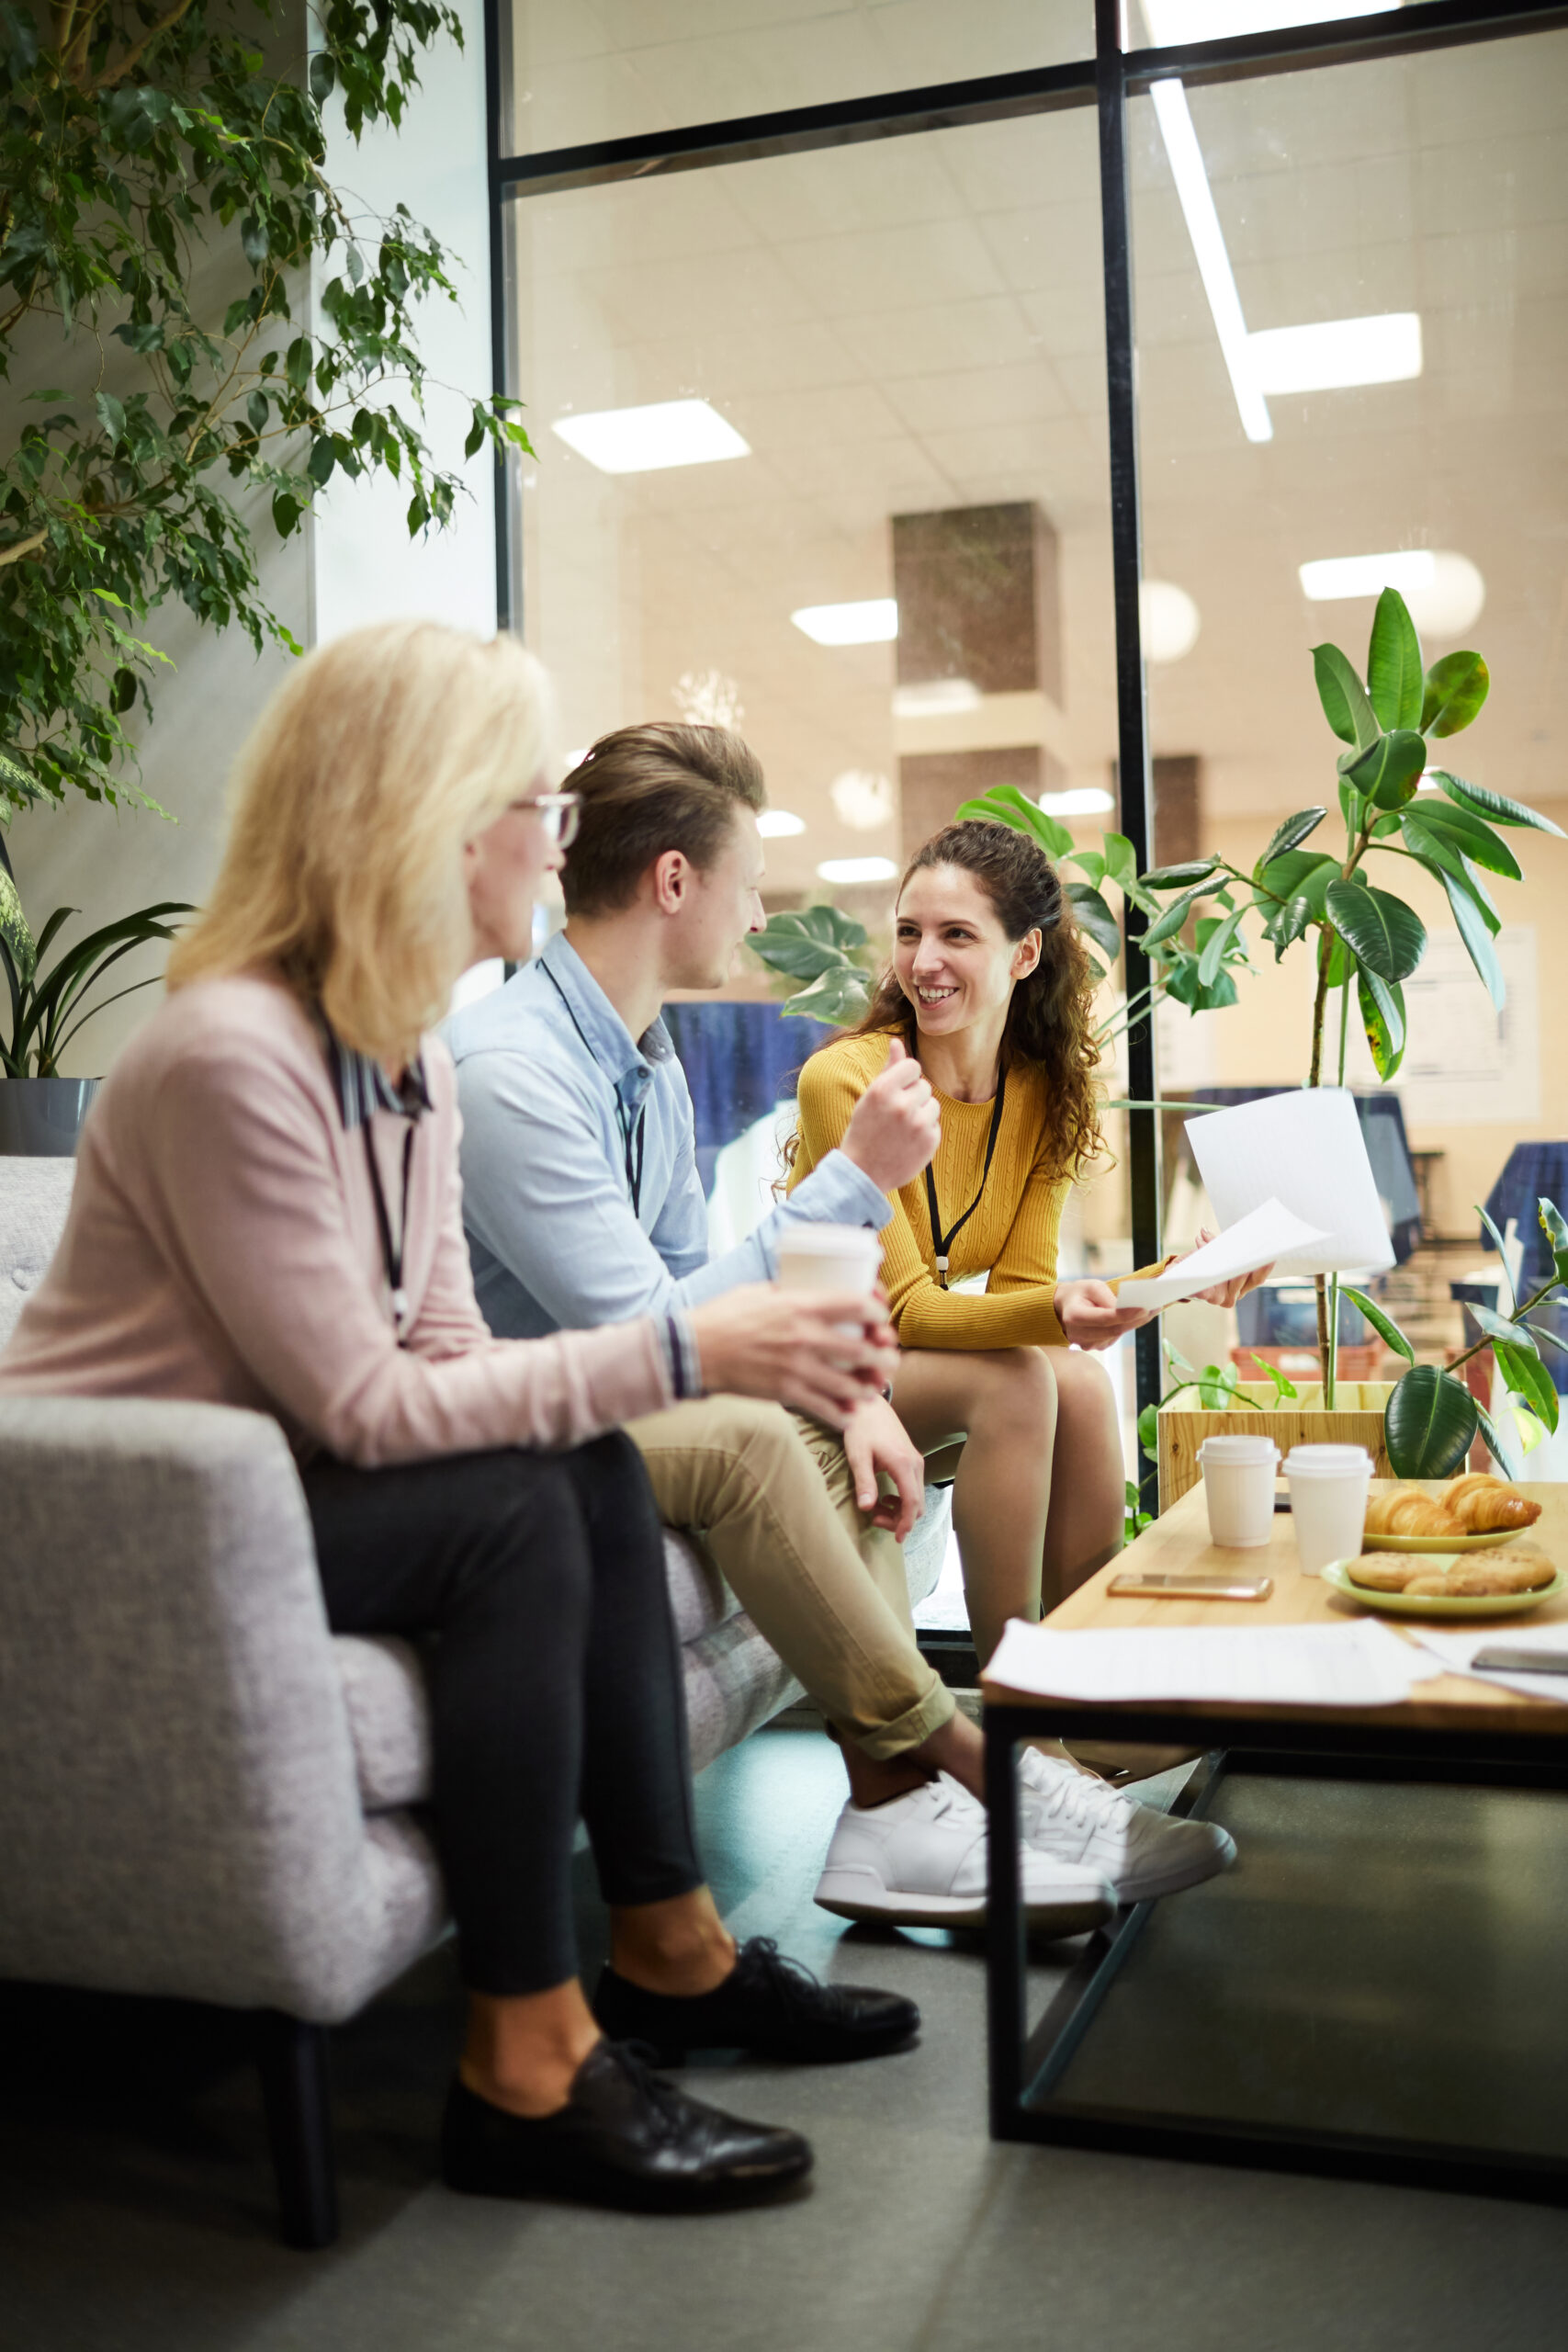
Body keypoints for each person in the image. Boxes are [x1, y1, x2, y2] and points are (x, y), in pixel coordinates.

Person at [0, 624, 932, 2216]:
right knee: (522, 1503)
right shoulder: (230, 1055)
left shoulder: (402, 1059)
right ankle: (525, 2060)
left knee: (562, 1470)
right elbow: (368, 1407)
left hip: (276, 1488)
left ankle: (666, 1951)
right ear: (432, 816)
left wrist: (671, 1362)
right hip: (126, 1535)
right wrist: (693, 1351)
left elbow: (435, 1345)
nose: (559, 842)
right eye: (536, 804)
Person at [446, 724, 1234, 1925]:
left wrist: (850, 1387)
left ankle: (908, 1812)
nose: (760, 915)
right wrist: (849, 1188)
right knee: (792, 1440)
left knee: (861, 1423)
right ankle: (989, 1776)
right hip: (525, 1420)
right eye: (750, 882)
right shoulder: (512, 1070)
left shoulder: (647, 1069)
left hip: (622, 1389)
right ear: (674, 882)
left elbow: (682, 1288)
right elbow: (650, 1336)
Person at [789, 818, 1272, 1673]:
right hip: (824, 1375)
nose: (923, 961)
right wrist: (1067, 1309)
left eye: (956, 935)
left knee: (1078, 1385)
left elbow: (1019, 1292)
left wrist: (1178, 1279)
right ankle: (1020, 1713)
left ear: (1023, 956)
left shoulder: (1042, 1089)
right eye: (909, 932)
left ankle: (1086, 1680)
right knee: (1018, 1381)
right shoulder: (847, 1079)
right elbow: (904, 1310)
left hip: (905, 1374)